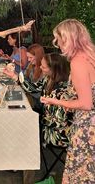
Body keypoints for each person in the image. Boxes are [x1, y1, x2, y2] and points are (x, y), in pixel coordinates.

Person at [40, 19, 95, 183]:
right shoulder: (91, 55)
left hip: (87, 128)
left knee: (80, 175)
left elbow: (86, 104)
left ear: (68, 39)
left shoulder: (78, 62)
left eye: (58, 39)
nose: (56, 43)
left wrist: (55, 102)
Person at [4, 53, 74, 147]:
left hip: (59, 133)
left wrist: (35, 120)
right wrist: (14, 76)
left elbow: (59, 122)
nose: (40, 67)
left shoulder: (64, 91)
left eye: (43, 67)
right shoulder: (48, 78)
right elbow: (33, 88)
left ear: (53, 69)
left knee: (22, 129)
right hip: (47, 121)